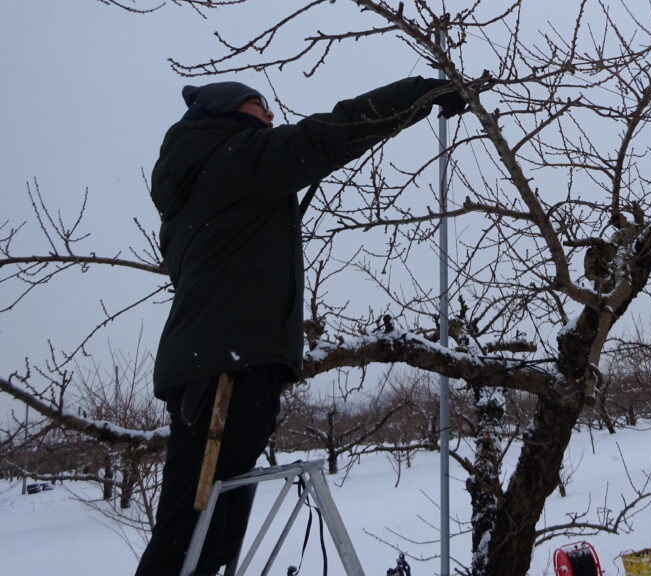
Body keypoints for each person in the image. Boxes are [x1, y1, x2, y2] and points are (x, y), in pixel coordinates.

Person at [136, 76, 468, 575]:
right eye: (257, 105)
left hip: (221, 363)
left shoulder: (200, 182)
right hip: (227, 368)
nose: (270, 115)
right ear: (226, 114)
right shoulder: (234, 159)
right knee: (190, 532)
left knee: (209, 526)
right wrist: (420, 94)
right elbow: (330, 133)